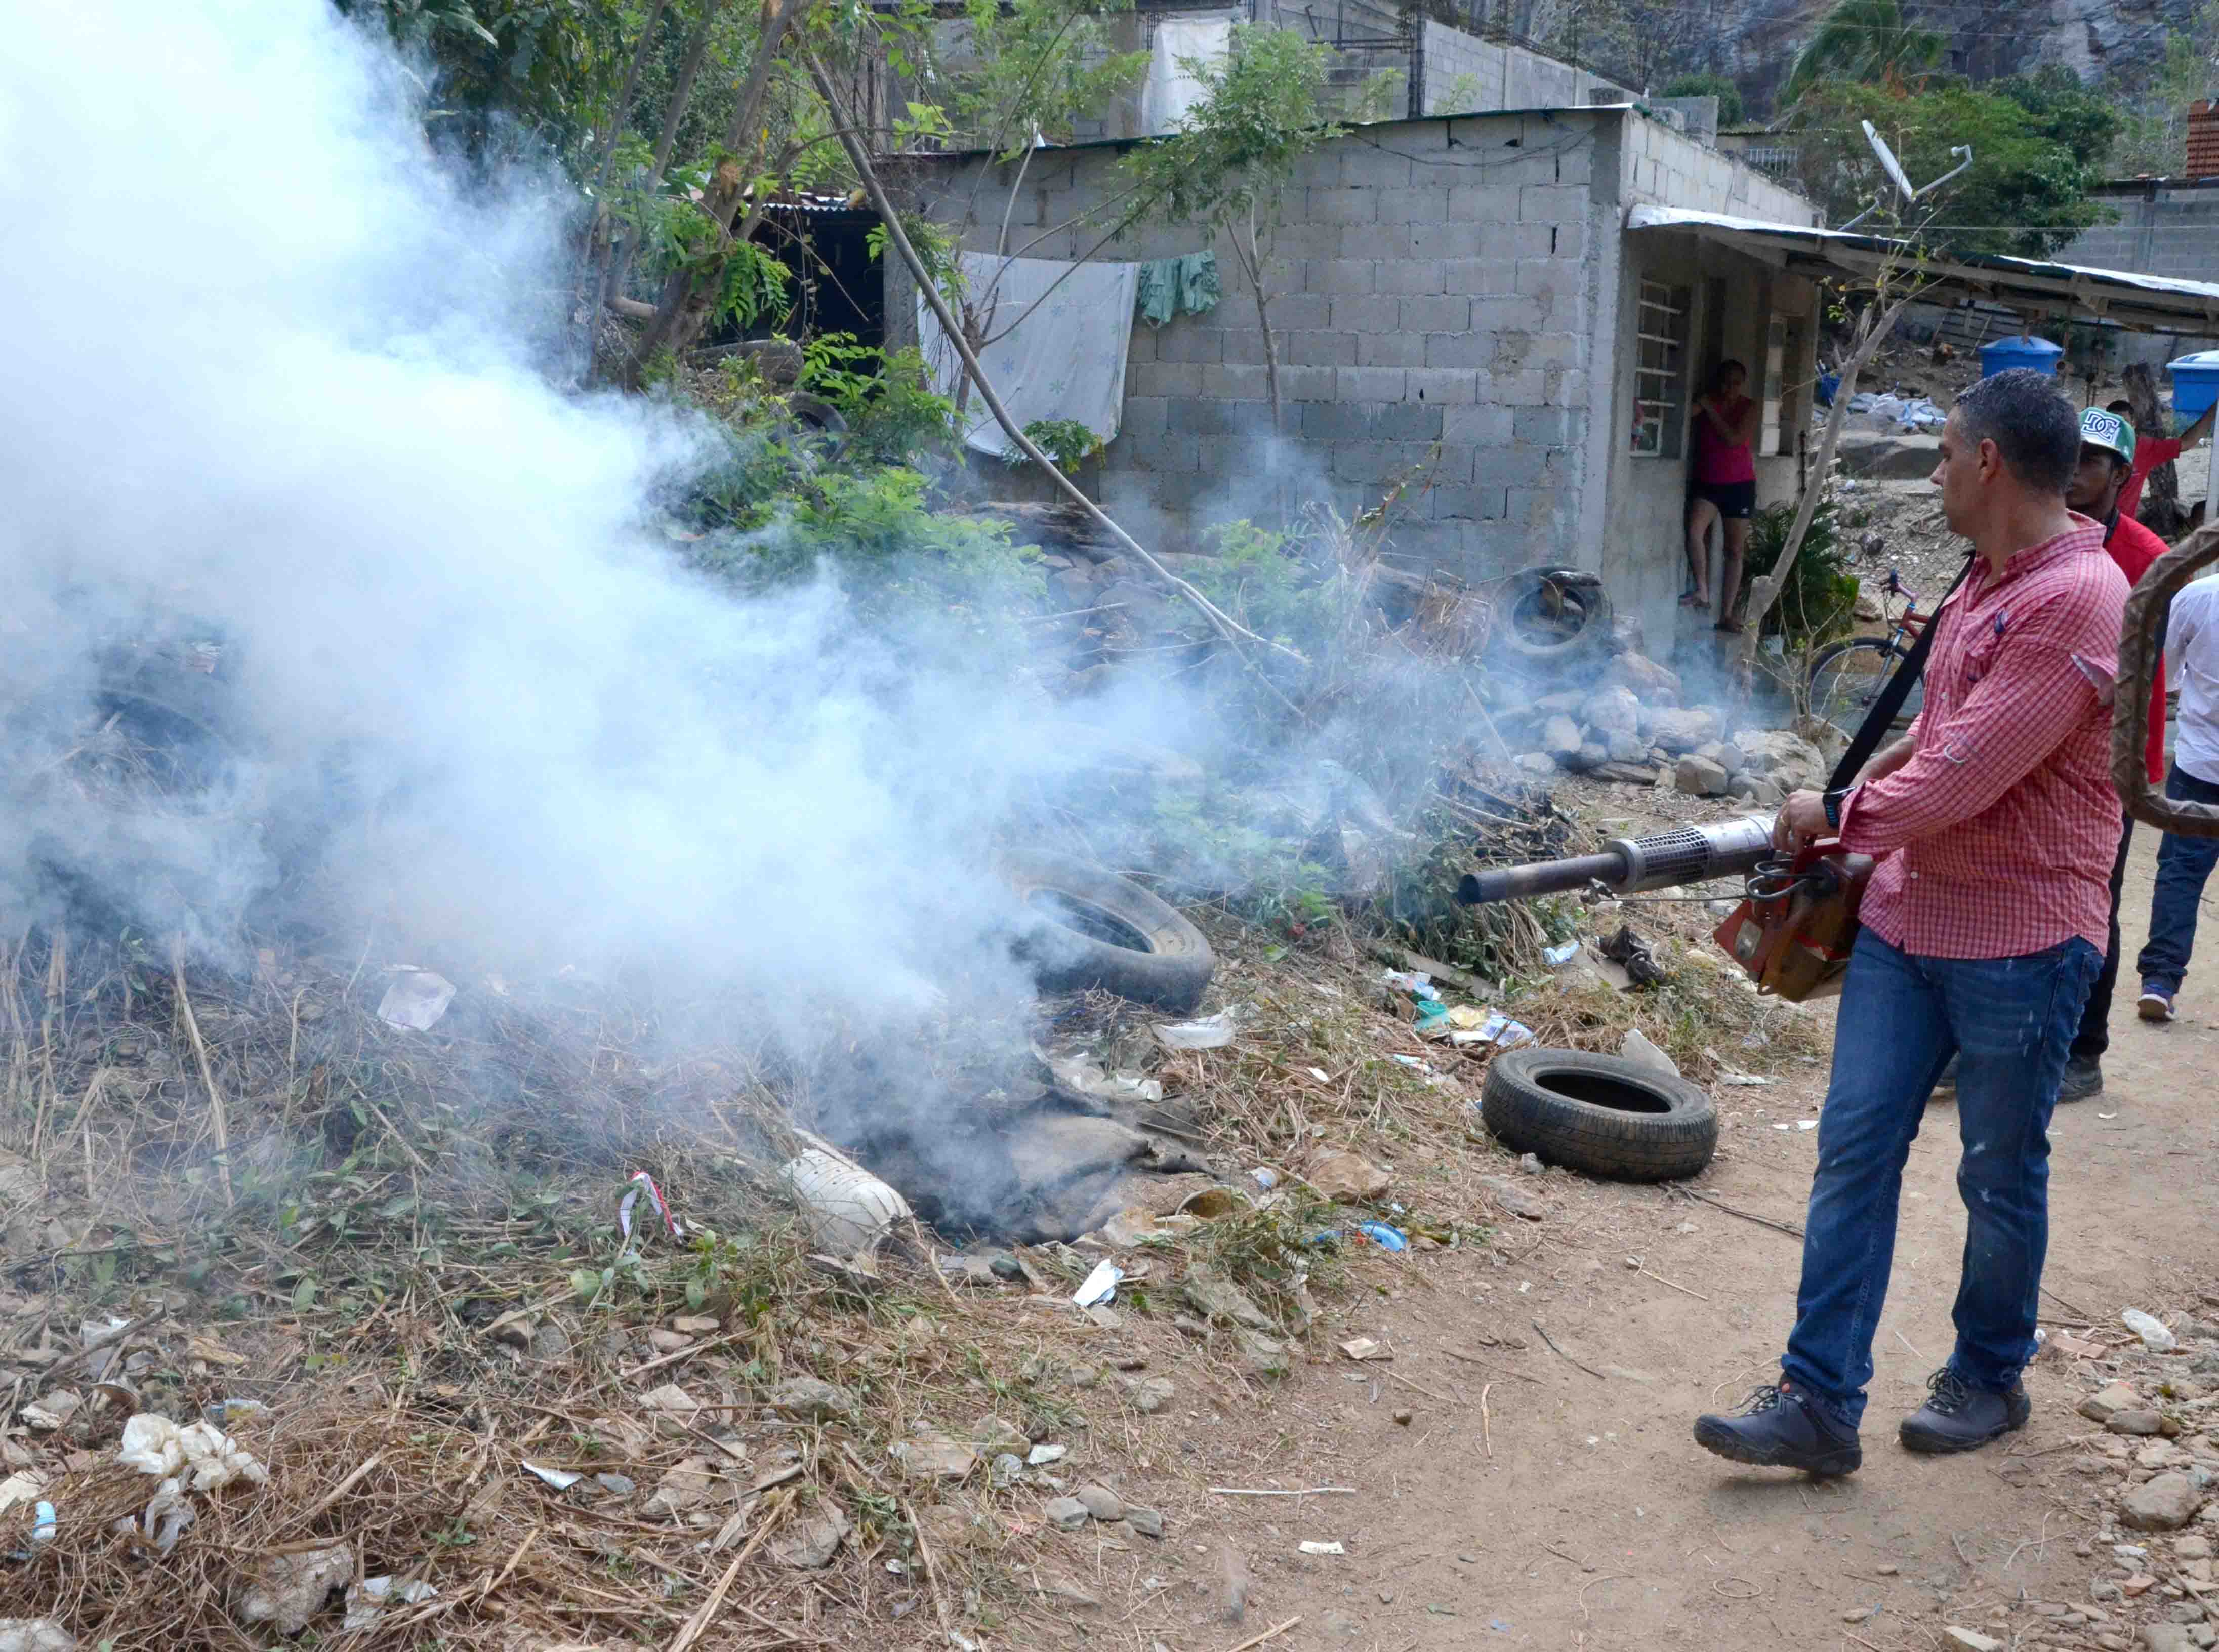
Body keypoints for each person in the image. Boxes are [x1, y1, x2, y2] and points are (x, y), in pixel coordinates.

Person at [1692, 369, 2126, 1476]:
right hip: (1905, 920)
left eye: (1940, 455)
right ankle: (1815, 1400)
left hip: (2022, 939)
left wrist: (1832, 814)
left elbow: (1957, 781)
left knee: (1995, 1169)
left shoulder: (2073, 599)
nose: (1930, 473)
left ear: (1986, 463)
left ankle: (1986, 1376)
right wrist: (1867, 788)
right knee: (1852, 1153)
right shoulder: (1981, 578)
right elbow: (1936, 733)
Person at [2134, 571, 2219, 1022]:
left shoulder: (2199, 596)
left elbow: (2162, 672)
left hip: (2202, 765)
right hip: (2199, 764)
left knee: (2181, 874)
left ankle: (2160, 982)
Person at [1683, 360, 1760, 631]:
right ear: (1719, 382)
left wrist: (1711, 410)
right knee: (1695, 530)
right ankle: (1702, 591)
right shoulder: (1707, 401)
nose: (1731, 388)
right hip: (1708, 481)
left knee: (1735, 550)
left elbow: (1734, 439)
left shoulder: (1749, 407)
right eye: (1726, 382)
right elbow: (1685, 413)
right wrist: (1702, 405)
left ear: (1743, 384)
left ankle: (1726, 614)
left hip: (1739, 485)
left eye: (1736, 383)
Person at [2107, 396, 2215, 525]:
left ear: (2133, 423)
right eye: (2114, 422)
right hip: (2094, 521)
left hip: (2123, 525)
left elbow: (2186, 443)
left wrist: (2214, 411)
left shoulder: (2143, 448)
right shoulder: (2095, 448)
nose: (2120, 428)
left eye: (2124, 422)